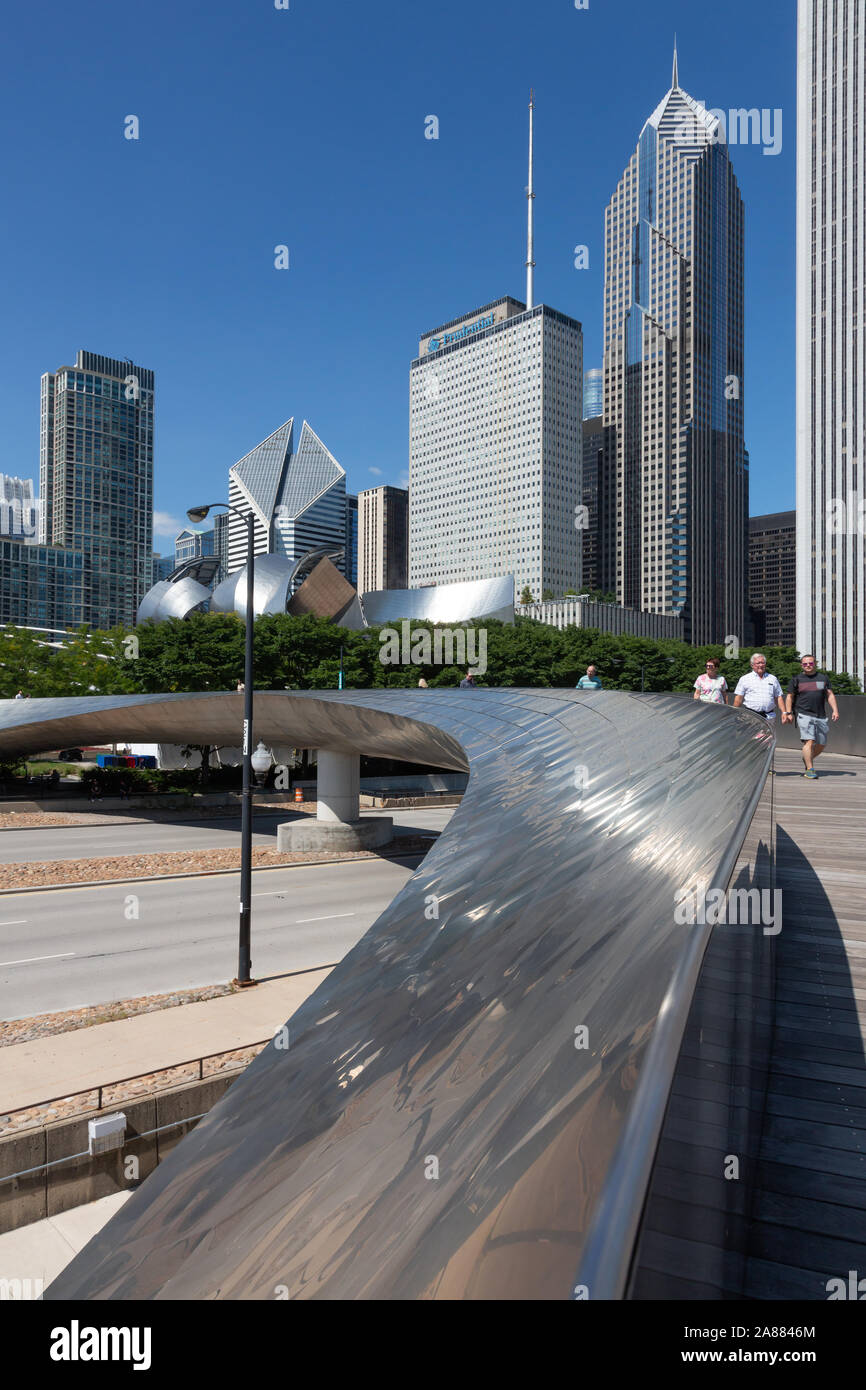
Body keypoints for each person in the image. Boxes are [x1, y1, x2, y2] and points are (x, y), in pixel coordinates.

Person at [783, 654, 840, 778]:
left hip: (821, 715)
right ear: (801, 665)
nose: (808, 666)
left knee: (822, 744)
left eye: (810, 663)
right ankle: (810, 769)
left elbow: (829, 695)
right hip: (803, 713)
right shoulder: (796, 679)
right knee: (809, 741)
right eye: (805, 664)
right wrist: (788, 712)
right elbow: (789, 697)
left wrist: (835, 710)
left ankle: (807, 758)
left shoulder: (823, 678)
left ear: (815, 664)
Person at [733, 653, 785, 725]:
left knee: (768, 736)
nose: (760, 665)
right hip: (750, 716)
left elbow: (778, 697)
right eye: (758, 663)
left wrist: (784, 712)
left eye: (762, 663)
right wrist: (733, 713)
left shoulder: (773, 679)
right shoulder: (744, 679)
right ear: (752, 665)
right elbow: (738, 698)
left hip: (769, 717)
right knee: (752, 736)